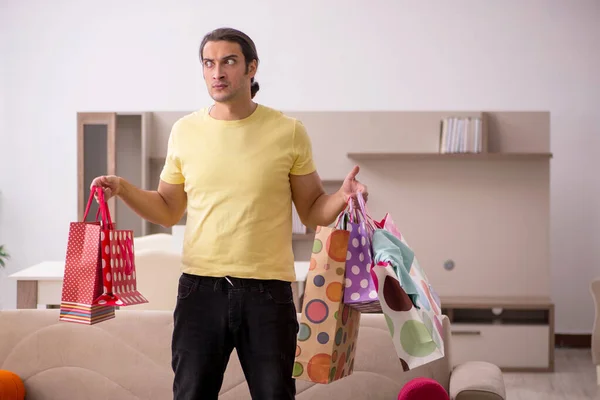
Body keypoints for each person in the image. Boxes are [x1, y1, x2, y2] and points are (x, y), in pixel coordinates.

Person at [90, 27, 368, 400]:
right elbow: (169, 209)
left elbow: (313, 209)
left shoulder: (288, 131)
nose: (217, 72)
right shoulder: (185, 131)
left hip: (268, 294)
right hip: (200, 290)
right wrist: (123, 189)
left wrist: (342, 197)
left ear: (252, 68)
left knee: (275, 395)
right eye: (209, 63)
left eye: (229, 62)